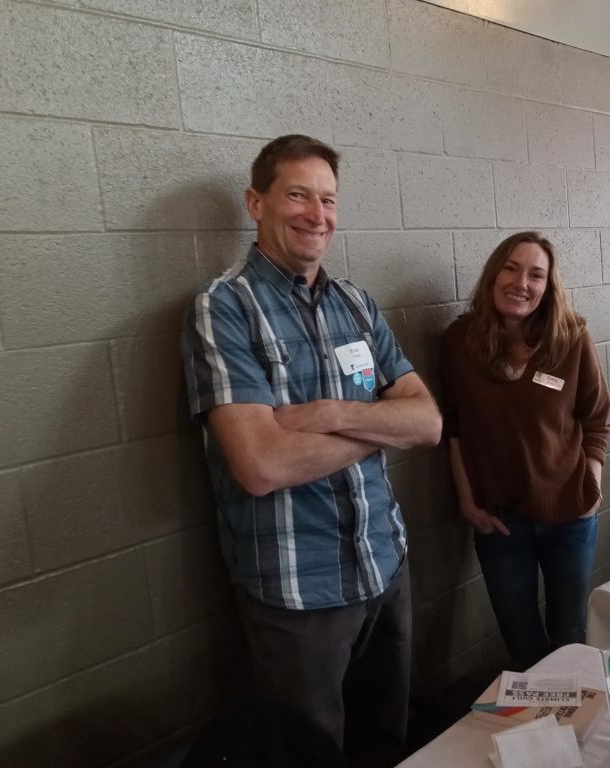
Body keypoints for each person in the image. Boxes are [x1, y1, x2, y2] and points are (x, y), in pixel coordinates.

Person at [180, 134, 442, 764]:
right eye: (297, 194)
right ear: (256, 202)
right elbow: (262, 465)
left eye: (328, 199)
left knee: (387, 743)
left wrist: (327, 416)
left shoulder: (356, 303)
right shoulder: (224, 309)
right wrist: (380, 423)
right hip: (298, 593)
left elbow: (429, 423)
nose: (316, 214)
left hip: (383, 565)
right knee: (310, 756)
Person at [439, 231, 610, 670]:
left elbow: (596, 418)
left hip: (569, 514)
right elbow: (453, 426)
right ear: (494, 274)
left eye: (537, 275)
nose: (522, 283)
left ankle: (577, 733)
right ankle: (543, 734)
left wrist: (591, 482)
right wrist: (466, 500)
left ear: (548, 286)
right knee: (524, 646)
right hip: (500, 521)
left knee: (570, 638)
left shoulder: (570, 338)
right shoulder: (459, 341)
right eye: (512, 268)